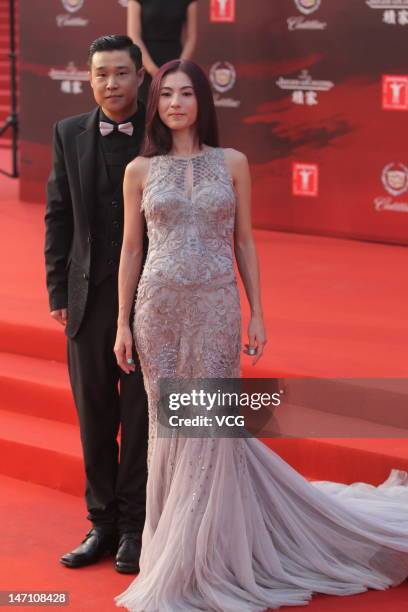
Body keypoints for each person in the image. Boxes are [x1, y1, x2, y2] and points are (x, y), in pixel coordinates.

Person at [113, 59, 408, 611]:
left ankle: (212, 553)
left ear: (203, 101)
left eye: (186, 93)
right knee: (168, 425)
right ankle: (174, 549)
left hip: (218, 306)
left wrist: (258, 313)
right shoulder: (139, 171)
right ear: (155, 106)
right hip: (159, 310)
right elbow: (132, 249)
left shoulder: (233, 163)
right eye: (166, 95)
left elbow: (244, 241)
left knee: (212, 427)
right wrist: (121, 323)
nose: (176, 103)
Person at [44, 35, 149, 574]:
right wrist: (58, 291)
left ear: (139, 76)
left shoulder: (161, 131)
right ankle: (101, 523)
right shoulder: (68, 133)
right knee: (94, 414)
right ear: (90, 78)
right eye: (102, 74)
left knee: (141, 413)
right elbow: (58, 215)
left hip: (150, 299)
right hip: (87, 301)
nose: (112, 83)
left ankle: (136, 526)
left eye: (122, 73)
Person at [127, 0, 198, 102]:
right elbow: (134, 37)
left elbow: (192, 38)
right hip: (145, 64)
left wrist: (179, 67)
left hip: (176, 63)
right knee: (145, 110)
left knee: (173, 106)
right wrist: (153, 70)